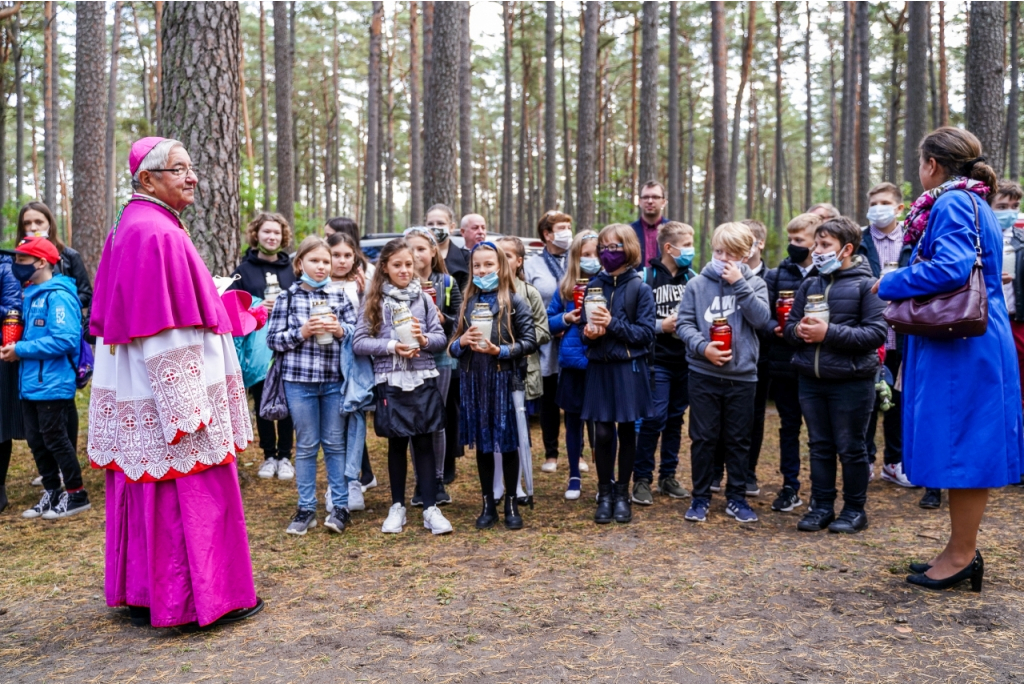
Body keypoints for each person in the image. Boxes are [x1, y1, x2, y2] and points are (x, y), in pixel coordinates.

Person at [87, 137, 260, 628]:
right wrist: (184, 408)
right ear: (148, 179)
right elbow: (163, 327)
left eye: (192, 167)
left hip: (143, 387)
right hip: (174, 395)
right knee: (186, 491)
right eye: (181, 169)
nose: (193, 177)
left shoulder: (134, 224)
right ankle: (198, 599)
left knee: (146, 488)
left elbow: (157, 313)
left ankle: (146, 593)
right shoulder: (159, 235)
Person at [877, 127, 1023, 591]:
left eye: (920, 162)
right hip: (967, 340)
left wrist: (888, 281)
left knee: (966, 449)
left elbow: (950, 268)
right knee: (963, 445)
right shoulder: (972, 200)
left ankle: (961, 555)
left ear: (931, 165)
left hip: (963, 346)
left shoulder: (953, 202)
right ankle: (958, 549)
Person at [784, 217, 887, 534]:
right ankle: (821, 507)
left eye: (824, 245)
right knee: (819, 446)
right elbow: (789, 329)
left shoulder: (867, 285)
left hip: (851, 381)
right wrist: (799, 332)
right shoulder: (809, 285)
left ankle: (855, 511)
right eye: (815, 244)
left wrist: (829, 332)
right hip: (810, 380)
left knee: (851, 447)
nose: (816, 251)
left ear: (847, 249)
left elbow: (876, 334)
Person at [352, 238, 453, 535]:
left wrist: (423, 341)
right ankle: (397, 506)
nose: (405, 270)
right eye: (397, 265)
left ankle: (430, 507)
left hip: (421, 377)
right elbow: (359, 343)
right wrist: (392, 345)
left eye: (409, 264)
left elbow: (440, 338)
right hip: (390, 380)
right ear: (385, 267)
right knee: (396, 442)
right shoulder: (374, 300)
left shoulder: (423, 298)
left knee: (423, 441)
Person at [677, 222, 771, 525]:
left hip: (742, 376)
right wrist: (704, 348)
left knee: (738, 439)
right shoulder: (697, 285)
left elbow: (761, 319)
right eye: (719, 251)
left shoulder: (755, 285)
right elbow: (684, 324)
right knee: (703, 437)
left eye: (731, 254)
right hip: (703, 373)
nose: (723, 258)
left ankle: (737, 498)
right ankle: (700, 497)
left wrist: (739, 284)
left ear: (745, 255)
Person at [266, 236, 357, 535]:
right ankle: (306, 508)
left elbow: (356, 335)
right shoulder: (286, 298)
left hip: (333, 381)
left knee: (334, 443)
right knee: (306, 446)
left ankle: (340, 506)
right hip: (298, 382)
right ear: (299, 263)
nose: (321, 266)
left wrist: (341, 330)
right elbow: (273, 340)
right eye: (315, 261)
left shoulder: (341, 297)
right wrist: (302, 332)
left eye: (326, 262)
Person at [450, 241, 537, 529]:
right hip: (474, 381)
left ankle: (511, 501)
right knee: (484, 446)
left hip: (503, 380)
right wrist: (461, 343)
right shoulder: (467, 302)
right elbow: (453, 346)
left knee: (507, 443)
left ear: (501, 267)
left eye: (489, 264)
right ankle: (488, 503)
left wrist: (499, 351)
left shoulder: (514, 301)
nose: (482, 269)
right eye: (477, 265)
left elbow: (530, 341)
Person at [0, 236, 86, 520]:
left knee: (56, 440)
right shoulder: (29, 295)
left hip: (52, 383)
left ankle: (76, 494)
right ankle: (52, 492)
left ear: (41, 262)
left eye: (22, 260)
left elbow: (66, 339)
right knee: (37, 442)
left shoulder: (58, 295)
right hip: (29, 384)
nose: (16, 265)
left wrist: (20, 350)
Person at [580, 224, 656, 525]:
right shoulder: (593, 285)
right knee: (601, 432)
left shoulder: (640, 288)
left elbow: (646, 335)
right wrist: (588, 333)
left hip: (628, 368)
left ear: (629, 249)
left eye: (615, 247)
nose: (608, 253)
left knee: (626, 431)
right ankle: (605, 491)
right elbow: (584, 334)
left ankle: (623, 494)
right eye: (604, 248)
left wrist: (611, 324)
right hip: (599, 366)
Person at [18, 202, 92, 462]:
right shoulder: (20, 258)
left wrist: (59, 303)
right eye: (27, 223)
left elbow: (86, 292)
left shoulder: (68, 255)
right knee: (37, 407)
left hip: (61, 338)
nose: (33, 227)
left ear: (49, 223)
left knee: (63, 401)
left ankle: (65, 461)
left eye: (38, 221)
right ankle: (49, 462)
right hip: (30, 340)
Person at [632, 221, 697, 506]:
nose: (692, 250)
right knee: (653, 418)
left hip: (685, 361)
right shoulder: (645, 277)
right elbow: (634, 320)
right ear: (669, 248)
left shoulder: (692, 278)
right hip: (656, 361)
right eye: (687, 244)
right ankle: (641, 478)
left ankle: (667, 476)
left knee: (675, 419)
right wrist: (661, 326)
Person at [229, 211, 296, 481]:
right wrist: (258, 305)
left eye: (277, 232)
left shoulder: (292, 268)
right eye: (267, 231)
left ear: (283, 237)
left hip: (290, 343)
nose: (271, 236)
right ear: (256, 234)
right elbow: (233, 306)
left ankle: (286, 457)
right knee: (263, 398)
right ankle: (269, 455)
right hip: (258, 347)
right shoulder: (243, 270)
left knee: (290, 398)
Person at [763, 212, 822, 513]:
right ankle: (790, 486)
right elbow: (766, 311)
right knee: (789, 427)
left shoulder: (825, 275)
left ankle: (820, 492)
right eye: (790, 239)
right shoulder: (776, 275)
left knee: (818, 431)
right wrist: (775, 324)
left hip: (815, 364)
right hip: (784, 362)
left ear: (815, 242)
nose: (792, 245)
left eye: (799, 240)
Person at [857, 183, 912, 488]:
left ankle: (895, 461)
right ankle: (865, 459)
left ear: (899, 208)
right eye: (874, 202)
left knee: (899, 402)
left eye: (885, 202)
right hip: (870, 335)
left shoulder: (912, 239)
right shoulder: (860, 241)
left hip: (904, 334)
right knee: (868, 400)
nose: (879, 208)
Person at [403, 226, 462, 507]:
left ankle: (437, 480)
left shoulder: (447, 283)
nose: (416, 255)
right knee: (416, 421)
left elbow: (460, 323)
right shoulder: (401, 283)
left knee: (436, 419)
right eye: (410, 249)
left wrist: (442, 318)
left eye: (422, 249)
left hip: (441, 357)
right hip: (410, 358)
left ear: (433, 252)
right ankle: (420, 481)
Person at [496, 235, 551, 505]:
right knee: (495, 427)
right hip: (493, 372)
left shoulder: (529, 293)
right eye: (498, 255)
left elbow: (543, 329)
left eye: (507, 256)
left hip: (522, 370)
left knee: (519, 429)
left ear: (518, 262)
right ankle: (497, 484)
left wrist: (518, 342)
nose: (502, 261)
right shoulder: (486, 292)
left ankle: (518, 485)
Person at [547, 230, 600, 499]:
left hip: (601, 363)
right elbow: (548, 321)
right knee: (573, 422)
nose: (591, 259)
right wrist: (567, 318)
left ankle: (605, 478)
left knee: (602, 423)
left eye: (595, 254)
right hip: (572, 364)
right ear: (575, 258)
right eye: (585, 255)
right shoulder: (566, 288)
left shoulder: (610, 284)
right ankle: (574, 477)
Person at [327, 227, 378, 493]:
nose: (342, 261)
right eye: (336, 255)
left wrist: (363, 294)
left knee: (355, 421)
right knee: (334, 429)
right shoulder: (317, 285)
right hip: (326, 366)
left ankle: (357, 479)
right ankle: (340, 483)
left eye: (348, 255)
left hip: (355, 365)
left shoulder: (361, 286)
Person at [523, 211, 574, 473]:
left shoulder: (575, 260)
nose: (567, 232)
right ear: (547, 234)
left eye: (569, 227)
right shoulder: (532, 265)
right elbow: (527, 303)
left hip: (576, 337)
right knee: (549, 398)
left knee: (577, 395)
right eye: (562, 227)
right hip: (545, 340)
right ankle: (551, 453)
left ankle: (580, 454)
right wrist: (550, 328)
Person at [424, 203, 467, 482]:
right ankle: (427, 460)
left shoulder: (463, 258)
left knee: (449, 403)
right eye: (430, 223)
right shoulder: (418, 258)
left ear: (451, 226)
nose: (435, 227)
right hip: (421, 342)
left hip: (452, 341)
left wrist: (449, 323)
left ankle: (449, 459)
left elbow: (463, 306)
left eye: (441, 222)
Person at [0, 247, 24, 513]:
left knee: (0, 425)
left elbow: (13, 310)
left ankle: (0, 488)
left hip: (1, 353)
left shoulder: (5, 268)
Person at [631, 181, 670, 265]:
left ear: (663, 202)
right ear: (639, 201)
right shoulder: (629, 232)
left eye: (655, 197)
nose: (650, 201)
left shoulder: (674, 231)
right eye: (645, 197)